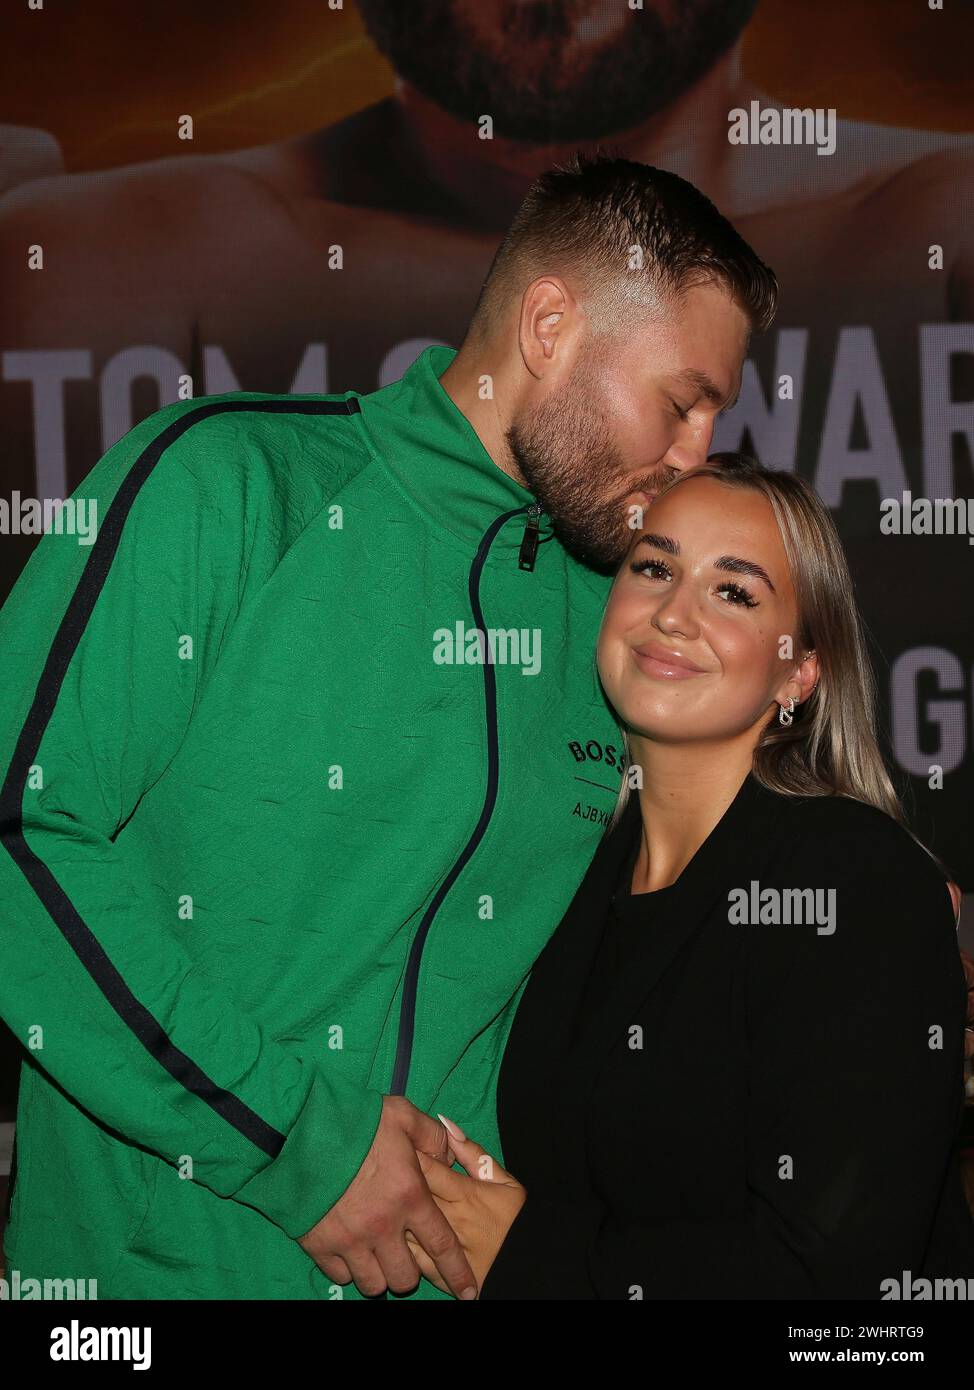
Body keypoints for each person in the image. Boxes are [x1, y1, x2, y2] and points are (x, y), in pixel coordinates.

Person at [0, 156, 774, 1299]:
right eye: (680, 400)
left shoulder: (612, 623)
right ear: (549, 324)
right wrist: (296, 1146)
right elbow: (18, 837)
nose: (694, 452)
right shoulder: (227, 481)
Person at [405, 455, 974, 1299]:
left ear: (799, 673)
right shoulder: (565, 881)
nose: (674, 613)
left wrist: (534, 1259)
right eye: (654, 568)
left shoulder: (857, 880)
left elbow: (837, 1281)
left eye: (734, 592)